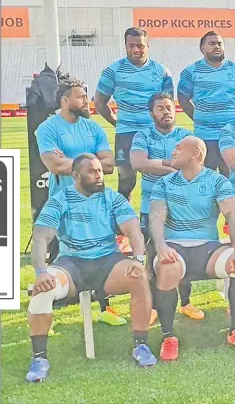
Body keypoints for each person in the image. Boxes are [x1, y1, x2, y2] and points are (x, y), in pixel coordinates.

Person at [26, 154, 155, 382]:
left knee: (139, 277)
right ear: (75, 176)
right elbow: (40, 237)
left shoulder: (111, 197)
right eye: (92, 171)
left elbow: (133, 229)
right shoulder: (60, 199)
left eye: (99, 170)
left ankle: (141, 346)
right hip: (71, 265)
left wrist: (137, 259)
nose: (99, 175)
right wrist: (40, 272)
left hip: (108, 262)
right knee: (43, 290)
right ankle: (39, 359)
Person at [148, 136, 235, 359]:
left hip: (208, 248)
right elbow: (156, 219)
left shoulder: (217, 181)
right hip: (175, 247)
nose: (173, 152)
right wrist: (160, 247)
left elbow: (233, 216)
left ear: (196, 154)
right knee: (168, 268)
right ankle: (169, 336)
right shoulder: (164, 183)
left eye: (179, 148)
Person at [35, 78, 123, 325]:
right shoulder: (47, 128)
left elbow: (108, 165)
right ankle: (47, 311)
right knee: (59, 254)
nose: (87, 100)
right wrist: (91, 163)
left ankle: (106, 308)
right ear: (65, 100)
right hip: (64, 201)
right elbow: (53, 164)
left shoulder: (93, 128)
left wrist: (72, 162)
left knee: (104, 249)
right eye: (80, 96)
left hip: (97, 200)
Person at [130, 92, 203, 321]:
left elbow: (194, 164)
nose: (166, 112)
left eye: (169, 107)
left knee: (184, 249)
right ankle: (152, 308)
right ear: (151, 112)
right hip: (150, 205)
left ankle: (186, 302)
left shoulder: (185, 135)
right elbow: (138, 163)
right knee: (153, 253)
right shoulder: (143, 135)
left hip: (181, 205)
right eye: (160, 108)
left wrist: (157, 164)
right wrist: (171, 165)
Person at [94, 27, 174, 201]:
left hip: (155, 133)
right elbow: (99, 102)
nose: (136, 50)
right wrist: (116, 121)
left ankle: (159, 222)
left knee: (160, 179)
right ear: (125, 45)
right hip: (126, 133)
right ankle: (123, 225)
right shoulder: (113, 71)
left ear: (148, 45)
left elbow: (168, 105)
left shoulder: (162, 72)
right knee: (126, 182)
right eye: (131, 46)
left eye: (140, 46)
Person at [178, 31, 235, 177]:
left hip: (230, 134)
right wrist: (199, 117)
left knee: (230, 176)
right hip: (205, 134)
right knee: (206, 177)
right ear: (202, 48)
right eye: (212, 44)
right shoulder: (191, 72)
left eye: (219, 43)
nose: (217, 46)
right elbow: (183, 98)